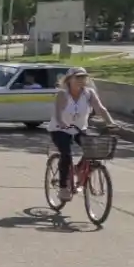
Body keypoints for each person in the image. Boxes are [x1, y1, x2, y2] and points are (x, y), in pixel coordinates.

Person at [48, 67, 116, 201]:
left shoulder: (89, 93)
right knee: (66, 154)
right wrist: (62, 123)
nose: (81, 80)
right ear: (69, 80)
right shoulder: (63, 94)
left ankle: (79, 169)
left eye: (83, 77)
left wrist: (111, 123)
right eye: (78, 77)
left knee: (93, 150)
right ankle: (63, 187)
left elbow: (100, 108)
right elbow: (58, 113)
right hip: (60, 129)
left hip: (79, 128)